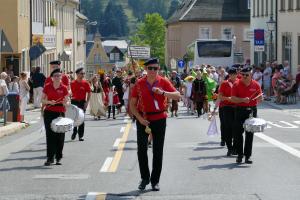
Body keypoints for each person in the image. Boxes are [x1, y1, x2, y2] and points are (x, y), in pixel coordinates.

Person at [130, 58, 180, 191]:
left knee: (158, 150)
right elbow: (132, 104)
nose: (153, 71)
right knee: (141, 149)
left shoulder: (163, 81)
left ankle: (155, 180)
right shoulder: (139, 83)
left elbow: (178, 96)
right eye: (150, 68)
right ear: (146, 69)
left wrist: (163, 93)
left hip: (159, 118)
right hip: (144, 119)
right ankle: (144, 178)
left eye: (155, 68)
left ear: (158, 69)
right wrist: (140, 119)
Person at [231, 66, 263, 164]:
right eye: (243, 75)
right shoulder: (236, 84)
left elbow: (260, 98)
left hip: (252, 111)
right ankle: (240, 155)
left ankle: (247, 156)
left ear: (251, 75)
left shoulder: (256, 85)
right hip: (240, 110)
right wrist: (242, 100)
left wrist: (260, 99)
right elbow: (233, 98)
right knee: (238, 133)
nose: (244, 77)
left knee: (250, 134)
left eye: (247, 75)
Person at [41, 69, 70, 166]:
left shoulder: (64, 88)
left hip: (60, 113)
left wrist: (65, 103)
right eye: (55, 76)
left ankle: (58, 157)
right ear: (52, 78)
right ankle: (50, 158)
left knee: (60, 135)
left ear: (61, 77)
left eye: (59, 75)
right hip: (49, 112)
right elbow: (42, 100)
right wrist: (49, 102)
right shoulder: (47, 87)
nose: (57, 77)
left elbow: (68, 101)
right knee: (50, 135)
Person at [218, 67, 238, 156]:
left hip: (237, 107)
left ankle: (235, 147)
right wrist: (228, 98)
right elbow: (220, 97)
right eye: (231, 74)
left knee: (237, 128)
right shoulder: (224, 84)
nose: (233, 76)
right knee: (228, 128)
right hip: (227, 107)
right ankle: (229, 148)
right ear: (229, 75)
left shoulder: (239, 83)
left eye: (234, 74)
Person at [70, 68, 91, 141]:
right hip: (74, 102)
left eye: (83, 73)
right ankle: (74, 131)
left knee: (81, 119)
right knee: (74, 118)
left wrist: (87, 102)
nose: (83, 75)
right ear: (77, 74)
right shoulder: (72, 83)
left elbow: (89, 92)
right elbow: (69, 93)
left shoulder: (85, 83)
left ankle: (81, 135)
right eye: (81, 73)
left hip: (82, 102)